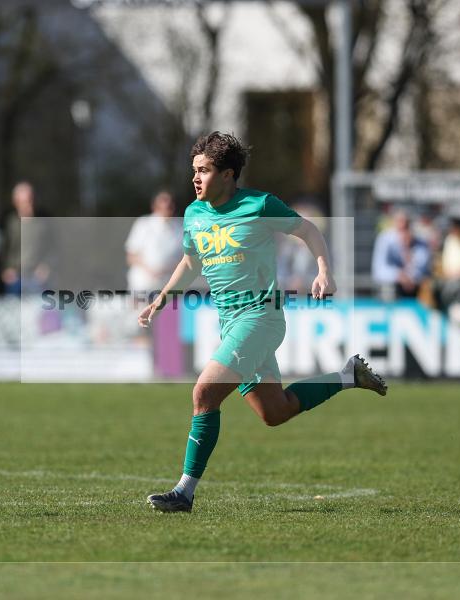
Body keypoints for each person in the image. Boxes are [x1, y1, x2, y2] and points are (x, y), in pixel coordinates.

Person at [140, 132, 387, 513]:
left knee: (204, 394)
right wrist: (162, 297)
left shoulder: (259, 205)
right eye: (194, 170)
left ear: (228, 174)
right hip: (231, 324)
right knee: (275, 411)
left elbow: (307, 230)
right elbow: (190, 262)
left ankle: (184, 493)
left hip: (260, 318)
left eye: (204, 170)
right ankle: (347, 376)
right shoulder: (194, 214)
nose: (195, 178)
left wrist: (324, 270)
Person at [125, 190, 183, 295]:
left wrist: (168, 270)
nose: (167, 207)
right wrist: (151, 271)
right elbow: (131, 256)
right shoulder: (143, 224)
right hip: (142, 285)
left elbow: (185, 259)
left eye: (170, 205)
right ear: (155, 206)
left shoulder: (180, 227)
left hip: (168, 286)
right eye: (163, 204)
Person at [370, 209, 431, 299]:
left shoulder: (421, 242)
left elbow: (422, 270)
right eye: (399, 222)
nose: (402, 227)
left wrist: (407, 249)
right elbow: (379, 271)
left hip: (416, 287)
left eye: (406, 224)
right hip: (392, 288)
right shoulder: (384, 239)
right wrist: (399, 275)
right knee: (388, 289)